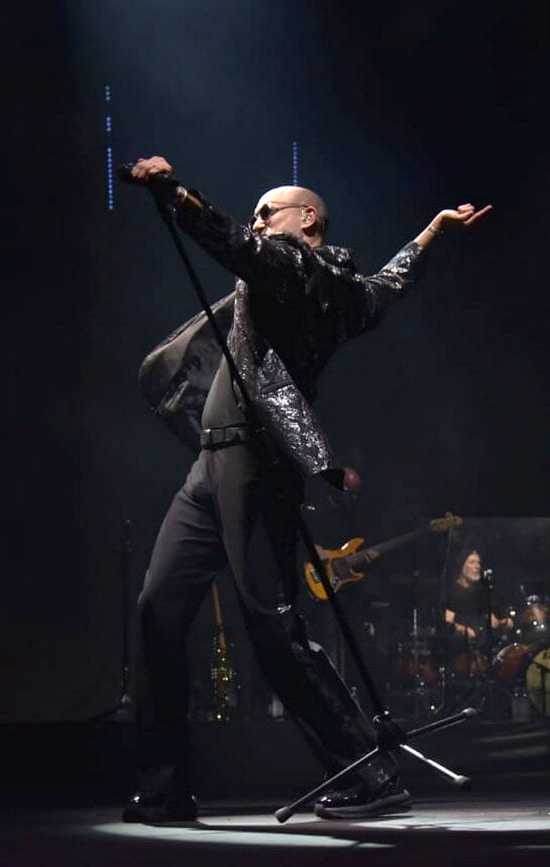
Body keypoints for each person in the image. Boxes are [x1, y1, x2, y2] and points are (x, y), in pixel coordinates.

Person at [122, 154, 491, 822]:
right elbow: (391, 283)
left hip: (254, 463)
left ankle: (365, 769)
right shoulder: (346, 293)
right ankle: (164, 785)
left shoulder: (293, 267)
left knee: (273, 625)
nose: (259, 220)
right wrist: (433, 233)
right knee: (156, 607)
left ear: (308, 219)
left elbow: (230, 241)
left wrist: (171, 190)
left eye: (270, 211)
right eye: (258, 213)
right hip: (212, 465)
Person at [440, 550, 515, 677]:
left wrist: (501, 622)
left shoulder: (485, 591)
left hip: (487, 654)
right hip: (458, 656)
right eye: (472, 562)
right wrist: (463, 626)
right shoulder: (450, 591)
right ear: (461, 566)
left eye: (479, 562)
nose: (477, 566)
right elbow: (443, 617)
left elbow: (509, 622)